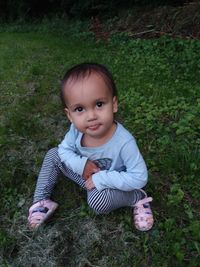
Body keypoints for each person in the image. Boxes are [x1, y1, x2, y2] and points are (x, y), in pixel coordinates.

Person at [28, 63, 154, 231]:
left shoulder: (124, 142)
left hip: (110, 184)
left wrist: (100, 179)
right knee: (53, 154)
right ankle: (41, 200)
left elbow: (139, 177)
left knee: (98, 202)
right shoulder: (75, 131)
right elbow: (64, 151)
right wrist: (81, 164)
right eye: (79, 109)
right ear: (69, 115)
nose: (91, 116)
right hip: (86, 176)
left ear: (114, 104)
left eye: (99, 104)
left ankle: (136, 197)